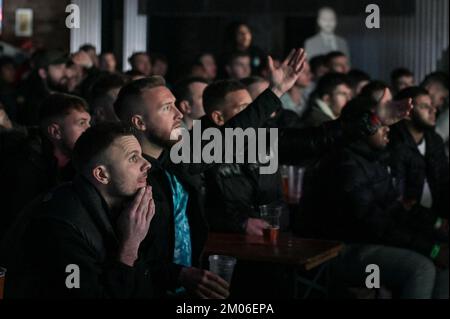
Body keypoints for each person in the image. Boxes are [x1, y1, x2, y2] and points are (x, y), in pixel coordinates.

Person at [113, 48, 307, 298]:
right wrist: (178, 274)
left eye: (175, 105)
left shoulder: (175, 158)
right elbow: (132, 259)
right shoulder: (127, 178)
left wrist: (276, 91)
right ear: (139, 122)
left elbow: (230, 136)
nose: (179, 114)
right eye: (166, 108)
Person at [298, 96, 448, 299]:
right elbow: (373, 225)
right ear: (360, 129)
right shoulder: (345, 164)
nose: (388, 129)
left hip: (368, 243)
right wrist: (431, 249)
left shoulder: (372, 158)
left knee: (440, 259)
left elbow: (396, 209)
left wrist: (435, 235)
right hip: (337, 252)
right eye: (382, 125)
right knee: (421, 267)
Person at [2, 123, 158, 298]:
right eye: (133, 158)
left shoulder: (122, 207)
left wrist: (178, 274)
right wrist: (129, 247)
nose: (147, 164)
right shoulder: (60, 226)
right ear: (101, 175)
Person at [0, 94, 91, 240]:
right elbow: (17, 226)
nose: (89, 129)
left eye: (89, 123)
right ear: (55, 132)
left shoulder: (81, 163)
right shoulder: (24, 167)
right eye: (81, 123)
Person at [389, 87, 449, 219]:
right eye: (424, 106)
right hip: (407, 221)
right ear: (407, 113)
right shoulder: (394, 143)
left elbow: (444, 181)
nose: (433, 110)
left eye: (432, 105)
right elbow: (399, 198)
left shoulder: (434, 140)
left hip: (436, 215)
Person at [17, 50, 68, 126]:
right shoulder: (35, 104)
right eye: (59, 68)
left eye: (66, 67)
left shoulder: (69, 93)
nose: (66, 73)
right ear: (43, 73)